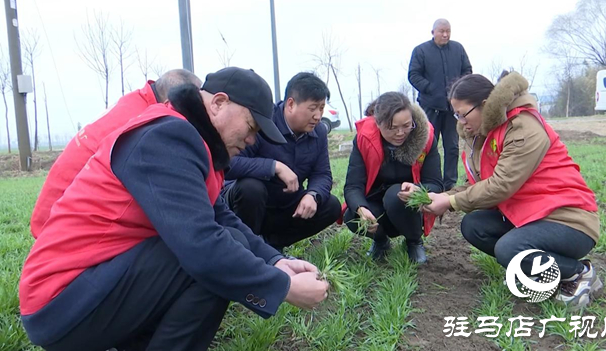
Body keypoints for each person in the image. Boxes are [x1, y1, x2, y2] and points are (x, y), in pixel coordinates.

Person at [19, 67, 330, 351]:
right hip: (60, 302)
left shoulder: (192, 142)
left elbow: (223, 218)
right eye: (250, 127)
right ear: (218, 103)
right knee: (209, 261)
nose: (250, 141)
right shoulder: (168, 137)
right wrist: (284, 287)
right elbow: (202, 245)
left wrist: (277, 261)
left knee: (220, 250)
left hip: (95, 286)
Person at [423, 72, 602, 309]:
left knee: (509, 249)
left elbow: (501, 185)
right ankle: (539, 269)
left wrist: (451, 202)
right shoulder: (483, 134)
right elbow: (479, 184)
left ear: (485, 105)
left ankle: (578, 273)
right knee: (474, 225)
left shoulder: (522, 126)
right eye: (456, 114)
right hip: (531, 215)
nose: (460, 122)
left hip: (568, 220)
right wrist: (441, 197)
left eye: (463, 114)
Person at [30, 69, 202, 239]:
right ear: (175, 100)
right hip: (62, 225)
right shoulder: (140, 121)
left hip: (51, 212)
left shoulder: (135, 102)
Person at [223, 72, 341, 252]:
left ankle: (271, 246)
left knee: (331, 206)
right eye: (313, 108)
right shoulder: (264, 121)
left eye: (322, 108)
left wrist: (313, 194)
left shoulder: (319, 133)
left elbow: (322, 173)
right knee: (251, 188)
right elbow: (229, 164)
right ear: (291, 104)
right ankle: (246, 248)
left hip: (285, 204)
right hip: (248, 203)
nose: (318, 116)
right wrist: (273, 166)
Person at [339, 92, 443, 264]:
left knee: (395, 195)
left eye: (406, 125)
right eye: (392, 128)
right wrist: (361, 209)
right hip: (377, 206)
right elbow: (352, 186)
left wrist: (419, 190)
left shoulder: (426, 137)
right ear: (377, 123)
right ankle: (381, 241)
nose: (400, 133)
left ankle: (414, 241)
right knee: (351, 216)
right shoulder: (365, 139)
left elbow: (436, 184)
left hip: (409, 209)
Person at [408, 18, 472, 191]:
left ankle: (449, 183)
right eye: (441, 31)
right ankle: (428, 182)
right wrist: (429, 88)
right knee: (428, 145)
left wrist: (459, 88)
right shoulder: (421, 51)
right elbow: (413, 75)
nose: (445, 34)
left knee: (452, 146)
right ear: (433, 32)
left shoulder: (458, 49)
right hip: (430, 107)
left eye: (448, 31)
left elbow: (467, 70)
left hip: (453, 109)